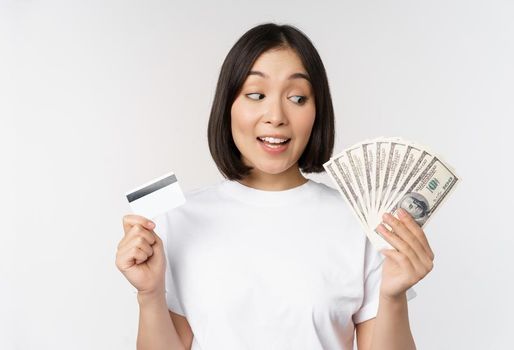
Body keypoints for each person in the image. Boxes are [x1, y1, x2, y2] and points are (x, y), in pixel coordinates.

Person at [115, 23, 435, 350]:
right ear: (227, 106)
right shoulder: (179, 218)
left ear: (317, 112)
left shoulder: (362, 223)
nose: (276, 115)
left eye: (297, 98)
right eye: (256, 95)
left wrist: (393, 297)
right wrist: (150, 294)